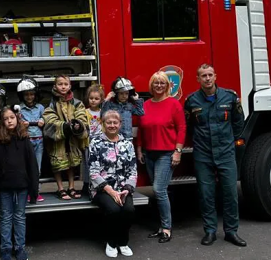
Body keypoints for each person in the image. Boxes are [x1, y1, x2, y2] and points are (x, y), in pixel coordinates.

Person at [184, 64, 246, 247]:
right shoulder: (192, 101)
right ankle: (210, 231)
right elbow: (188, 127)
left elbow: (238, 122)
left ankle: (231, 232)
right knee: (206, 194)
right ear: (198, 79)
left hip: (226, 153)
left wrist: (231, 142)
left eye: (210, 75)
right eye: (203, 76)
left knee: (230, 193)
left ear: (215, 76)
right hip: (203, 154)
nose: (207, 78)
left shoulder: (230, 97)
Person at [135, 71, 187, 243]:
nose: (159, 85)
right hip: (149, 153)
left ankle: (166, 228)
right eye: (156, 82)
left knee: (159, 190)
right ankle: (161, 226)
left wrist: (178, 151)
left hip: (166, 153)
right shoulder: (146, 105)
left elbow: (182, 128)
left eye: (162, 83)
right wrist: (140, 149)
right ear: (151, 85)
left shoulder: (174, 104)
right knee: (159, 192)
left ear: (167, 86)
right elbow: (142, 129)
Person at [0, 106, 39, 260]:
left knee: (20, 217)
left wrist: (33, 189)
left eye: (12, 117)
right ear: (1, 122)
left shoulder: (24, 139)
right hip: (4, 188)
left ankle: (20, 248)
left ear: (17, 118)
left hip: (22, 187)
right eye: (6, 119)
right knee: (5, 217)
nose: (9, 121)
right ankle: (6, 249)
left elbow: (32, 166)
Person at [87, 110, 137, 258]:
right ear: (103, 124)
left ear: (120, 124)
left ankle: (123, 242)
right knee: (114, 210)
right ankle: (111, 242)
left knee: (129, 210)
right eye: (109, 122)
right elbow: (93, 172)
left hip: (123, 188)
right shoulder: (95, 143)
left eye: (115, 122)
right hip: (101, 188)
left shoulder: (127, 144)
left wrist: (127, 189)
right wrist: (110, 191)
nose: (112, 125)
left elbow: (133, 170)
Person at [43, 75, 89, 200]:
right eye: (60, 84)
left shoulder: (77, 103)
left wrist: (77, 125)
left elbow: (82, 116)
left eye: (65, 84)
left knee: (72, 163)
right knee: (57, 164)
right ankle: (60, 188)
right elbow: (49, 119)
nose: (63, 86)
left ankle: (71, 187)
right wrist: (64, 126)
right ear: (55, 86)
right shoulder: (52, 103)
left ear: (70, 86)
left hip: (72, 140)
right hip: (57, 141)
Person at [16, 76, 45, 202]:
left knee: (37, 168)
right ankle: (26, 192)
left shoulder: (40, 108)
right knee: (26, 167)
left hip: (39, 141)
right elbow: (18, 124)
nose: (29, 97)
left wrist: (43, 121)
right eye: (26, 94)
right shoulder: (19, 109)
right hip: (25, 142)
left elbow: (45, 120)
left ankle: (35, 192)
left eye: (31, 94)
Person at [82, 83, 105, 196]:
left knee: (99, 164)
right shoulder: (85, 112)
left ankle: (98, 184)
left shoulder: (103, 112)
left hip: (100, 143)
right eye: (91, 98)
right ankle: (86, 184)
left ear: (101, 100)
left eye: (96, 98)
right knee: (88, 164)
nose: (93, 101)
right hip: (89, 142)